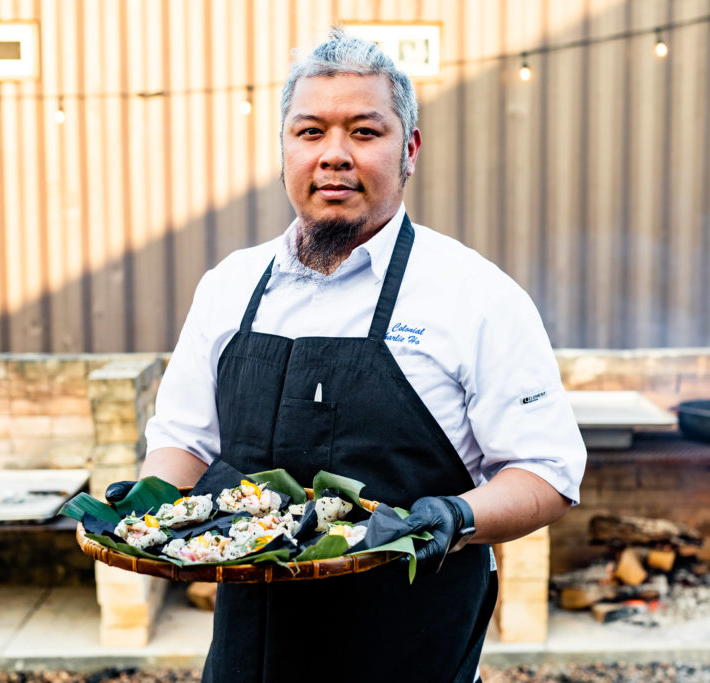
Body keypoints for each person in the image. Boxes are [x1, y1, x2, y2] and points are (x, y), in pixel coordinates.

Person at [119, 27, 586, 683]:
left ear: (409, 149)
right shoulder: (228, 288)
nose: (334, 154)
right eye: (310, 132)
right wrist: (150, 503)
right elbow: (184, 442)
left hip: (410, 654)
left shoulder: (475, 295)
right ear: (283, 148)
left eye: (364, 132)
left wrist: (453, 515)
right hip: (249, 659)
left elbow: (547, 472)